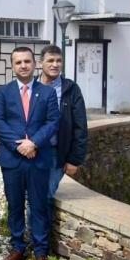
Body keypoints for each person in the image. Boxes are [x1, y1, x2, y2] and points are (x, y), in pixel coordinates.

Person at [0, 47, 59, 260]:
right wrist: (19, 145)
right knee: (15, 204)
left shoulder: (47, 92)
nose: (23, 65)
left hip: (39, 157)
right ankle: (18, 248)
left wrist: (34, 143)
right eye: (18, 62)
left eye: (27, 61)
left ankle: (40, 252)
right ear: (13, 65)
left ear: (35, 64)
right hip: (13, 159)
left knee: (39, 205)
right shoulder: (3, 92)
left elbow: (52, 122)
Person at [38, 45, 88, 200]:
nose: (55, 64)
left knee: (44, 196)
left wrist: (74, 159)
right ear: (41, 63)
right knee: (28, 195)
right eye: (50, 60)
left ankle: (35, 226)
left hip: (55, 153)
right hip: (31, 152)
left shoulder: (71, 89)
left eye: (59, 61)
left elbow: (80, 126)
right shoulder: (30, 87)